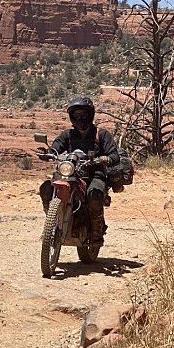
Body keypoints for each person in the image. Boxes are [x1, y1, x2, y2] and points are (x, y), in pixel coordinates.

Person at [39, 96, 120, 245]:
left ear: (90, 114)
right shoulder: (68, 135)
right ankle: (51, 220)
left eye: (83, 114)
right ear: (72, 116)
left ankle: (96, 231)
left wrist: (103, 159)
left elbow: (114, 155)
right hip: (71, 171)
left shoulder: (101, 134)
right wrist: (48, 153)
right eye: (76, 115)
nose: (80, 118)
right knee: (46, 187)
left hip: (94, 173)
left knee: (94, 195)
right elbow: (56, 147)